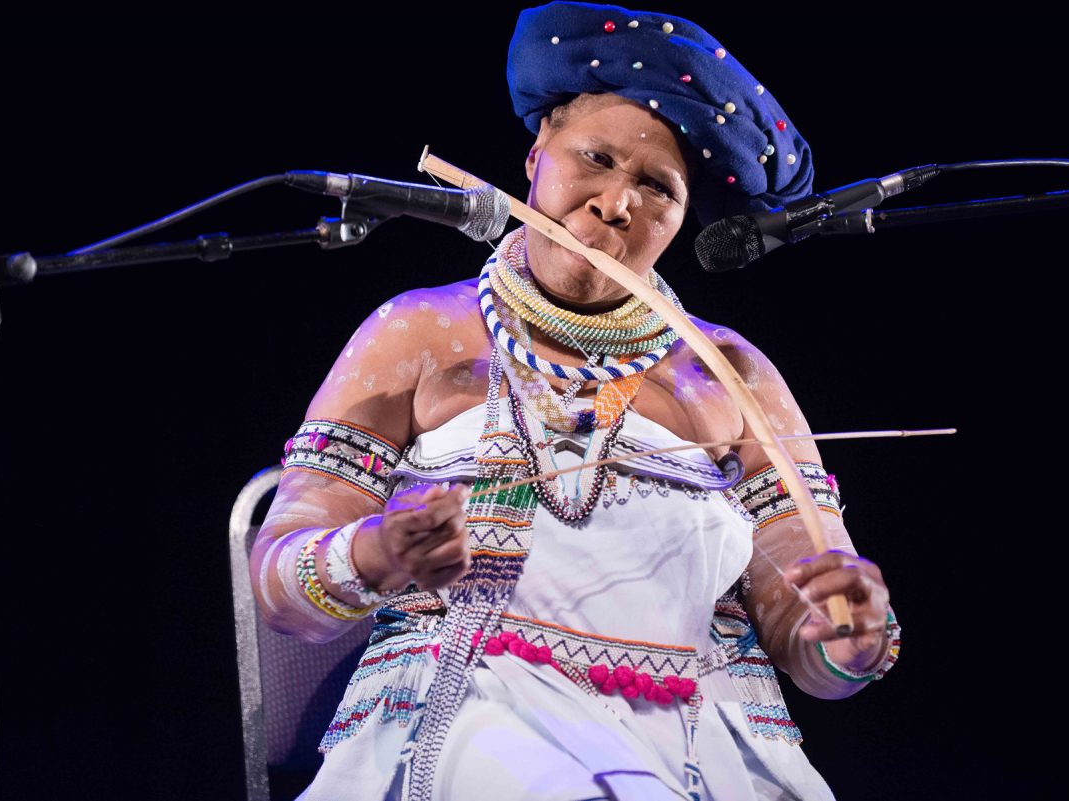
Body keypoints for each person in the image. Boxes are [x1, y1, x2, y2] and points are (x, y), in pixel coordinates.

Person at [250, 4, 899, 799]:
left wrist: (847, 639)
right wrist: (372, 553)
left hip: (707, 739)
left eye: (656, 187)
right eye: (595, 158)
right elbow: (278, 588)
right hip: (475, 713)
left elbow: (814, 636)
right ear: (536, 156)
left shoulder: (731, 374)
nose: (616, 202)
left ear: (680, 218)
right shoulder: (417, 332)